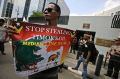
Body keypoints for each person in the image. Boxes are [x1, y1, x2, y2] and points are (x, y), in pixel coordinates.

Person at [28, 2, 61, 79]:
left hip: (53, 74)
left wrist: (71, 42)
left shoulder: (64, 34)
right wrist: (14, 35)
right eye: (44, 10)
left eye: (49, 10)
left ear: (58, 13)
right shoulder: (34, 30)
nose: (46, 12)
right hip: (35, 73)